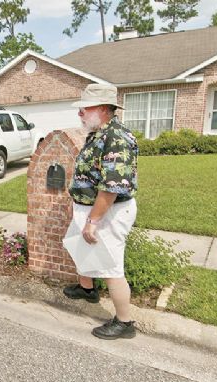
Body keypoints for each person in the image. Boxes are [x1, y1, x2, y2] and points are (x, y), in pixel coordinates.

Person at [62, 83, 139, 340]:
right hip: (90, 209)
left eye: (85, 108)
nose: (80, 113)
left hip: (109, 212)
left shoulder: (116, 138)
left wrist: (93, 221)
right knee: (79, 247)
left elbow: (111, 188)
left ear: (104, 109)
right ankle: (87, 290)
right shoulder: (98, 133)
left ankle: (125, 322)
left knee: (111, 267)